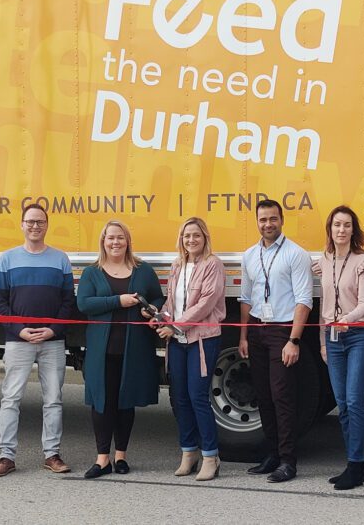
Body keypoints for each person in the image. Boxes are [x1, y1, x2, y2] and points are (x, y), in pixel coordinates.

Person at [0, 203, 76, 477]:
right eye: (30, 221)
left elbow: (67, 302)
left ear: (46, 225)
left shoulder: (60, 259)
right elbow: (0, 303)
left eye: (40, 222)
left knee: (53, 399)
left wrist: (52, 330)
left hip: (52, 342)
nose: (35, 226)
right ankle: (6, 456)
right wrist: (19, 330)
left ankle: (52, 454)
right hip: (18, 341)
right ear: (22, 225)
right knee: (11, 398)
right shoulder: (7, 259)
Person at [77, 219, 164, 479]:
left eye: (120, 237)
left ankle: (121, 455)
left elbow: (158, 297)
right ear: (103, 241)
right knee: (102, 401)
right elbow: (84, 304)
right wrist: (119, 300)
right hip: (101, 350)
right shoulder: (92, 272)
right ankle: (102, 458)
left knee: (126, 401)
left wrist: (152, 310)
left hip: (133, 347)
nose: (115, 242)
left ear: (128, 241)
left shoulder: (143, 270)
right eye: (110, 238)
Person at [239, 199, 314, 483]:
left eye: (272, 219)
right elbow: (245, 298)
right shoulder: (249, 255)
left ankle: (287, 460)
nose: (267, 224)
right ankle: (271, 453)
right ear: (257, 222)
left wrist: (293, 340)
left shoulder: (296, 254)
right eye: (262, 220)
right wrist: (244, 336)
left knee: (283, 396)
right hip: (257, 329)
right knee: (264, 395)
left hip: (282, 330)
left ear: (281, 220)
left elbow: (304, 300)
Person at [156, 217, 226, 481]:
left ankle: (211, 456)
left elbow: (207, 303)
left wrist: (175, 326)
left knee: (198, 397)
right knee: (180, 397)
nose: (191, 240)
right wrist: (161, 316)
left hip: (201, 339)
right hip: (177, 342)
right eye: (187, 236)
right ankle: (189, 452)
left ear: (205, 237)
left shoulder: (213, 264)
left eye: (196, 235)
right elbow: (172, 301)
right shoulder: (177, 265)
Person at [317, 206, 364, 491]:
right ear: (330, 229)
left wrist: (347, 320)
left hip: (360, 336)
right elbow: (323, 307)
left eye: (347, 225)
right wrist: (322, 343)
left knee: (354, 401)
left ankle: (355, 464)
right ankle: (356, 464)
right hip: (333, 338)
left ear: (353, 230)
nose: (341, 230)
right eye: (336, 225)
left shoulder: (363, 262)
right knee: (341, 403)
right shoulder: (324, 261)